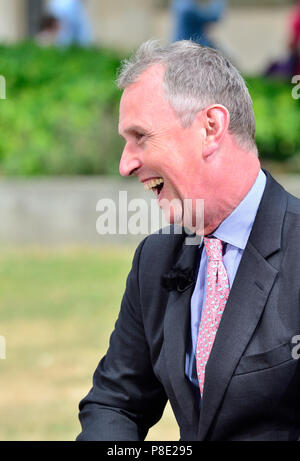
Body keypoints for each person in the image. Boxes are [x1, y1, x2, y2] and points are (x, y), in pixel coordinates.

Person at [77, 40, 300, 441]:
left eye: (141, 136)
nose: (125, 164)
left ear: (210, 128)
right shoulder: (156, 258)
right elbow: (116, 401)